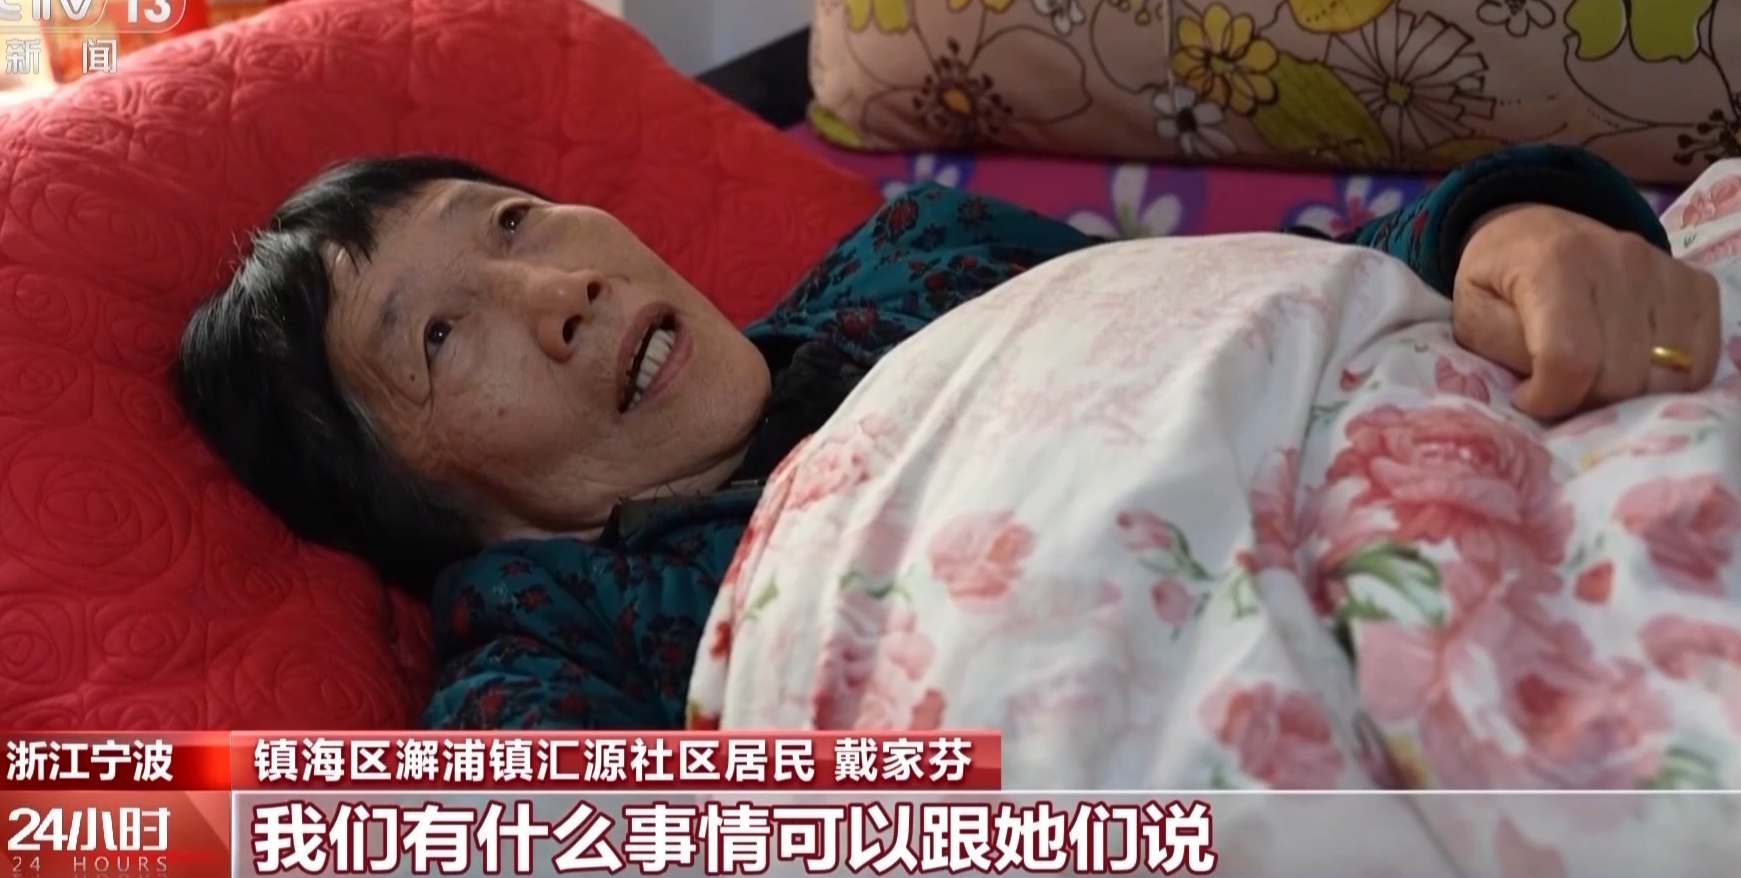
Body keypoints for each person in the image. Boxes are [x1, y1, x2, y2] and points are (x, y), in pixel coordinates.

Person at [175, 144, 1722, 730]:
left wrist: (1510, 230)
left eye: (511, 219)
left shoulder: (915, 257)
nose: (552, 290)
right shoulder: (548, 648)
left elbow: (1285, 290)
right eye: (441, 338)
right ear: (411, 492)